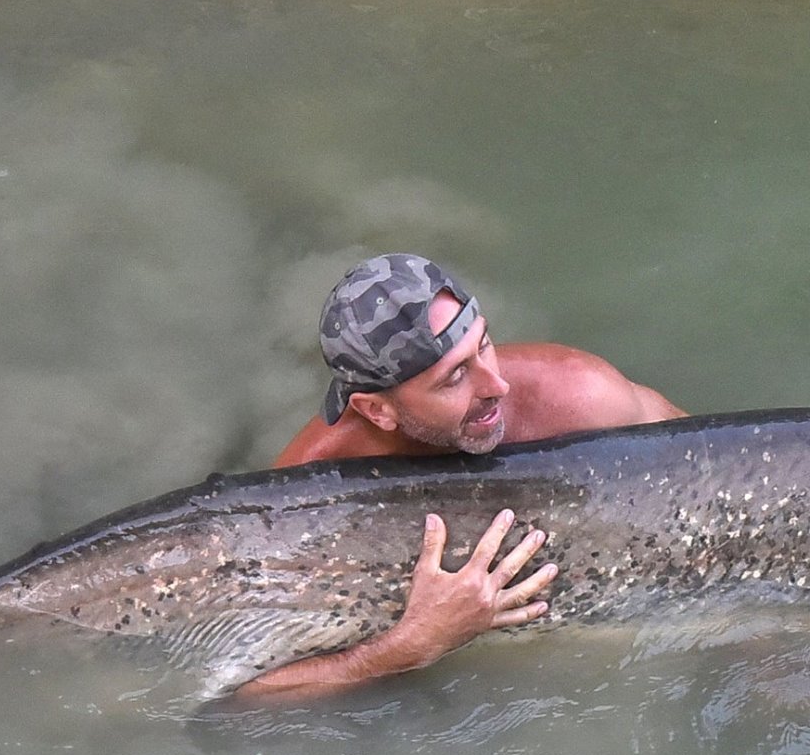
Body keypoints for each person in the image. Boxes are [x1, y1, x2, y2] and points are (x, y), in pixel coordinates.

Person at [243, 253, 684, 695]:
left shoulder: (581, 396)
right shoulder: (312, 488)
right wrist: (410, 646)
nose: (497, 386)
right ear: (377, 410)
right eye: (454, 377)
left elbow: (713, 472)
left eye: (484, 344)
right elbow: (243, 698)